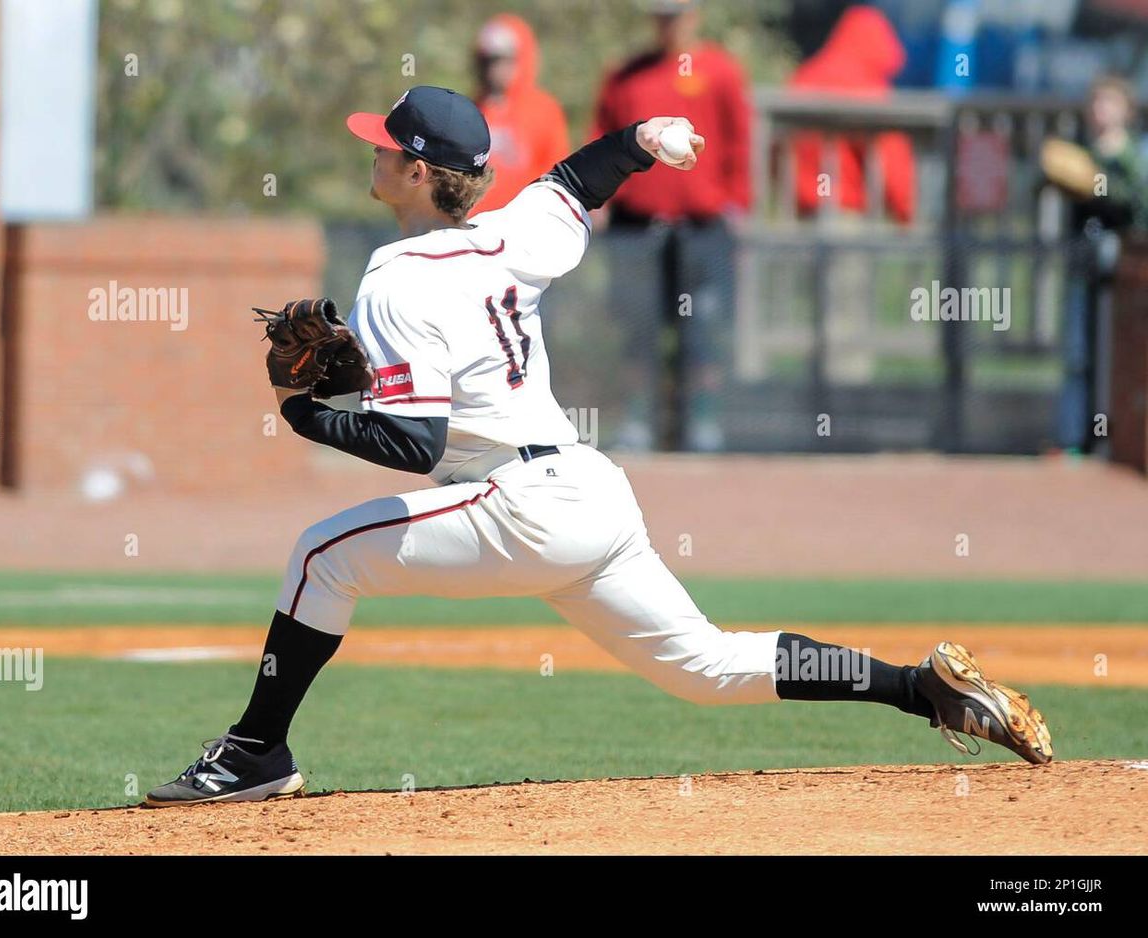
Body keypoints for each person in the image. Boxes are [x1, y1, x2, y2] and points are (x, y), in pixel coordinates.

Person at [146, 85, 1051, 806]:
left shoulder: (394, 277)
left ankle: (256, 749)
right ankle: (919, 689)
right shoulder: (509, 232)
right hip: (587, 491)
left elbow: (415, 443)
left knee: (321, 556)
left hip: (516, 505)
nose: (372, 150)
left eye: (386, 142)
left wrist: (304, 417)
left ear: (418, 171)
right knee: (705, 668)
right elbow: (580, 181)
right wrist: (649, 136)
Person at [590, 0, 751, 452]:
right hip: (637, 228)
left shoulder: (721, 71)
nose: (668, 24)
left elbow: (739, 144)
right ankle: (639, 421)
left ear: (695, 16)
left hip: (702, 228)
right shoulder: (627, 75)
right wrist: (598, 200)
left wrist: (737, 208)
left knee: (704, 330)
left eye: (676, 14)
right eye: (661, 15)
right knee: (637, 330)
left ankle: (703, 423)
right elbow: (602, 140)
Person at [787, 4, 915, 385]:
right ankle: (843, 398)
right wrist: (905, 213)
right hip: (847, 215)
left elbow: (780, 151)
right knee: (848, 311)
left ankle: (812, 396)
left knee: (813, 312)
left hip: (804, 216)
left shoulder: (805, 77)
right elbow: (891, 162)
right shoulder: (868, 87)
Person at [1046, 75, 1148, 453]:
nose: (1101, 110)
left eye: (1110, 102)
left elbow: (1133, 206)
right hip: (1081, 261)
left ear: (1126, 109)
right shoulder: (1082, 149)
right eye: (1096, 103)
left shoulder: (1130, 157)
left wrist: (1098, 182)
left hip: (1117, 269)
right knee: (1077, 352)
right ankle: (1073, 438)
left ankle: (1106, 439)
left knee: (1112, 354)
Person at [469, 13, 570, 216]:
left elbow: (557, 174)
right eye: (487, 61)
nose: (493, 69)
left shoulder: (544, 110)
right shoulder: (469, 111)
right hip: (472, 226)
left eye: (502, 60)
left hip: (524, 223)